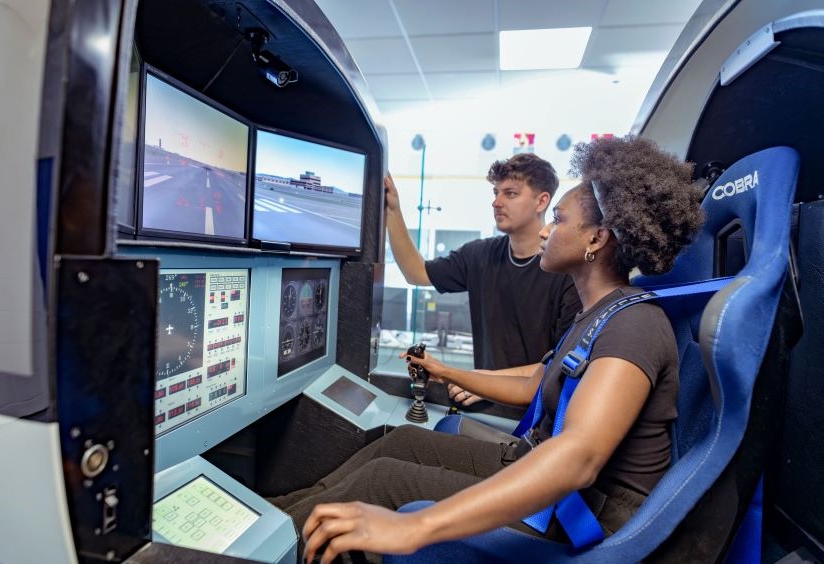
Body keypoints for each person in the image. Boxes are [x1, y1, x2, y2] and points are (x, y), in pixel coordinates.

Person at [274, 136, 704, 562]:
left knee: (383, 481)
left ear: (596, 240)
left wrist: (414, 526)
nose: (547, 230)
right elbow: (534, 385)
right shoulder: (597, 315)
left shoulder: (634, 325)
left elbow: (579, 457)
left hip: (580, 516)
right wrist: (447, 372)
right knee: (401, 442)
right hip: (545, 470)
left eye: (558, 219)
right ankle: (276, 524)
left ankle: (271, 549)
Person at [385, 154, 582, 407]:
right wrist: (393, 210)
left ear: (541, 201)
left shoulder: (566, 273)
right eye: (496, 192)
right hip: (483, 403)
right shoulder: (479, 255)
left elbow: (561, 363)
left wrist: (481, 381)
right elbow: (416, 273)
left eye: (510, 194)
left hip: (535, 411)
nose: (496, 202)